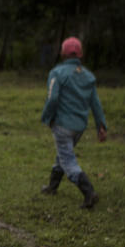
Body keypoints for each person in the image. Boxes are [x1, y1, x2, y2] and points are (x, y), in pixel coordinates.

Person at [39, 36, 107, 209]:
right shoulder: (88, 76)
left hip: (62, 125)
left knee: (68, 160)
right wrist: (101, 125)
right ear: (81, 54)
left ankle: (88, 192)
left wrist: (47, 116)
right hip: (79, 127)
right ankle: (52, 187)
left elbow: (53, 98)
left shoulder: (57, 73)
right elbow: (95, 103)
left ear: (62, 53)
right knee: (63, 154)